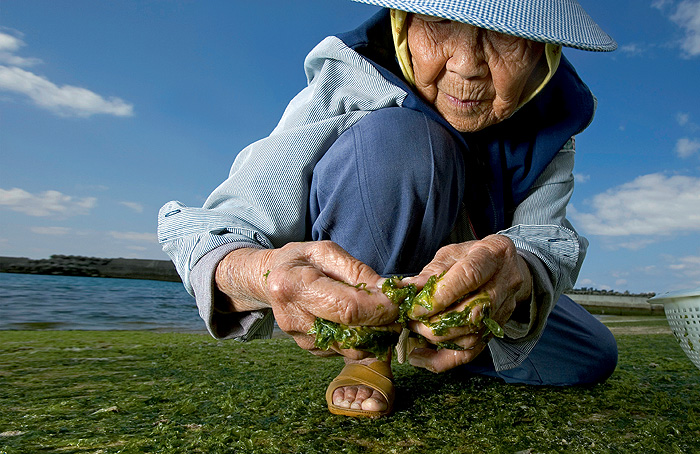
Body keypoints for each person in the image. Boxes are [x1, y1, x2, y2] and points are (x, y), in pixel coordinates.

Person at [158, 0, 619, 418]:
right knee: (401, 142)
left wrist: (517, 272)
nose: (467, 66)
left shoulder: (552, 119)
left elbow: (543, 234)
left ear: (545, 53)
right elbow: (212, 230)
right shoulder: (349, 81)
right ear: (403, 24)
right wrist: (260, 271)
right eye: (440, 23)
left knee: (592, 355)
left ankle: (437, 336)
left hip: (466, 291)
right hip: (367, 266)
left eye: (505, 36)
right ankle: (370, 353)